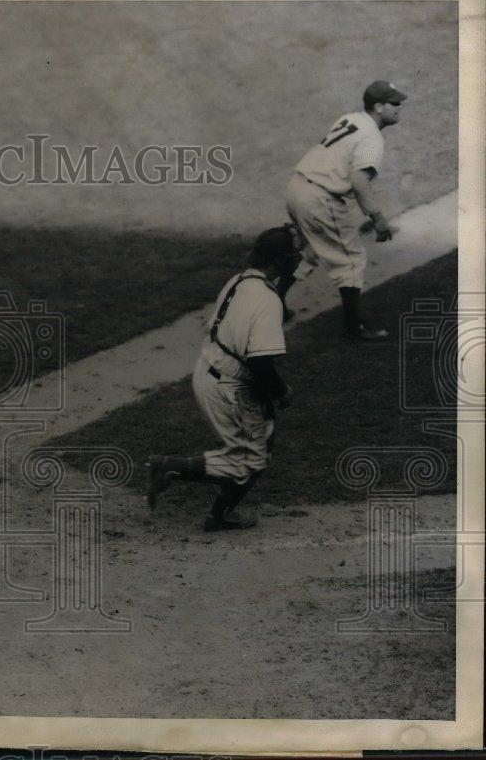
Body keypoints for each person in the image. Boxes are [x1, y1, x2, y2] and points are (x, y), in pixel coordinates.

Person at [145, 226, 300, 531]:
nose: (300, 258)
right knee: (251, 460)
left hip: (209, 370)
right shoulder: (268, 301)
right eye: (294, 254)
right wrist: (281, 392)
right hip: (229, 387)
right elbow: (260, 363)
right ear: (280, 261)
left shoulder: (240, 280)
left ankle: (220, 515)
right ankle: (169, 468)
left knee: (259, 445)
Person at [281, 80, 407, 340]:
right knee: (351, 260)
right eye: (394, 103)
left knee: (310, 250)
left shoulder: (352, 118)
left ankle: (276, 303)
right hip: (319, 199)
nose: (399, 107)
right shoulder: (372, 138)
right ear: (379, 107)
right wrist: (377, 217)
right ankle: (355, 329)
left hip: (296, 188)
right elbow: (359, 182)